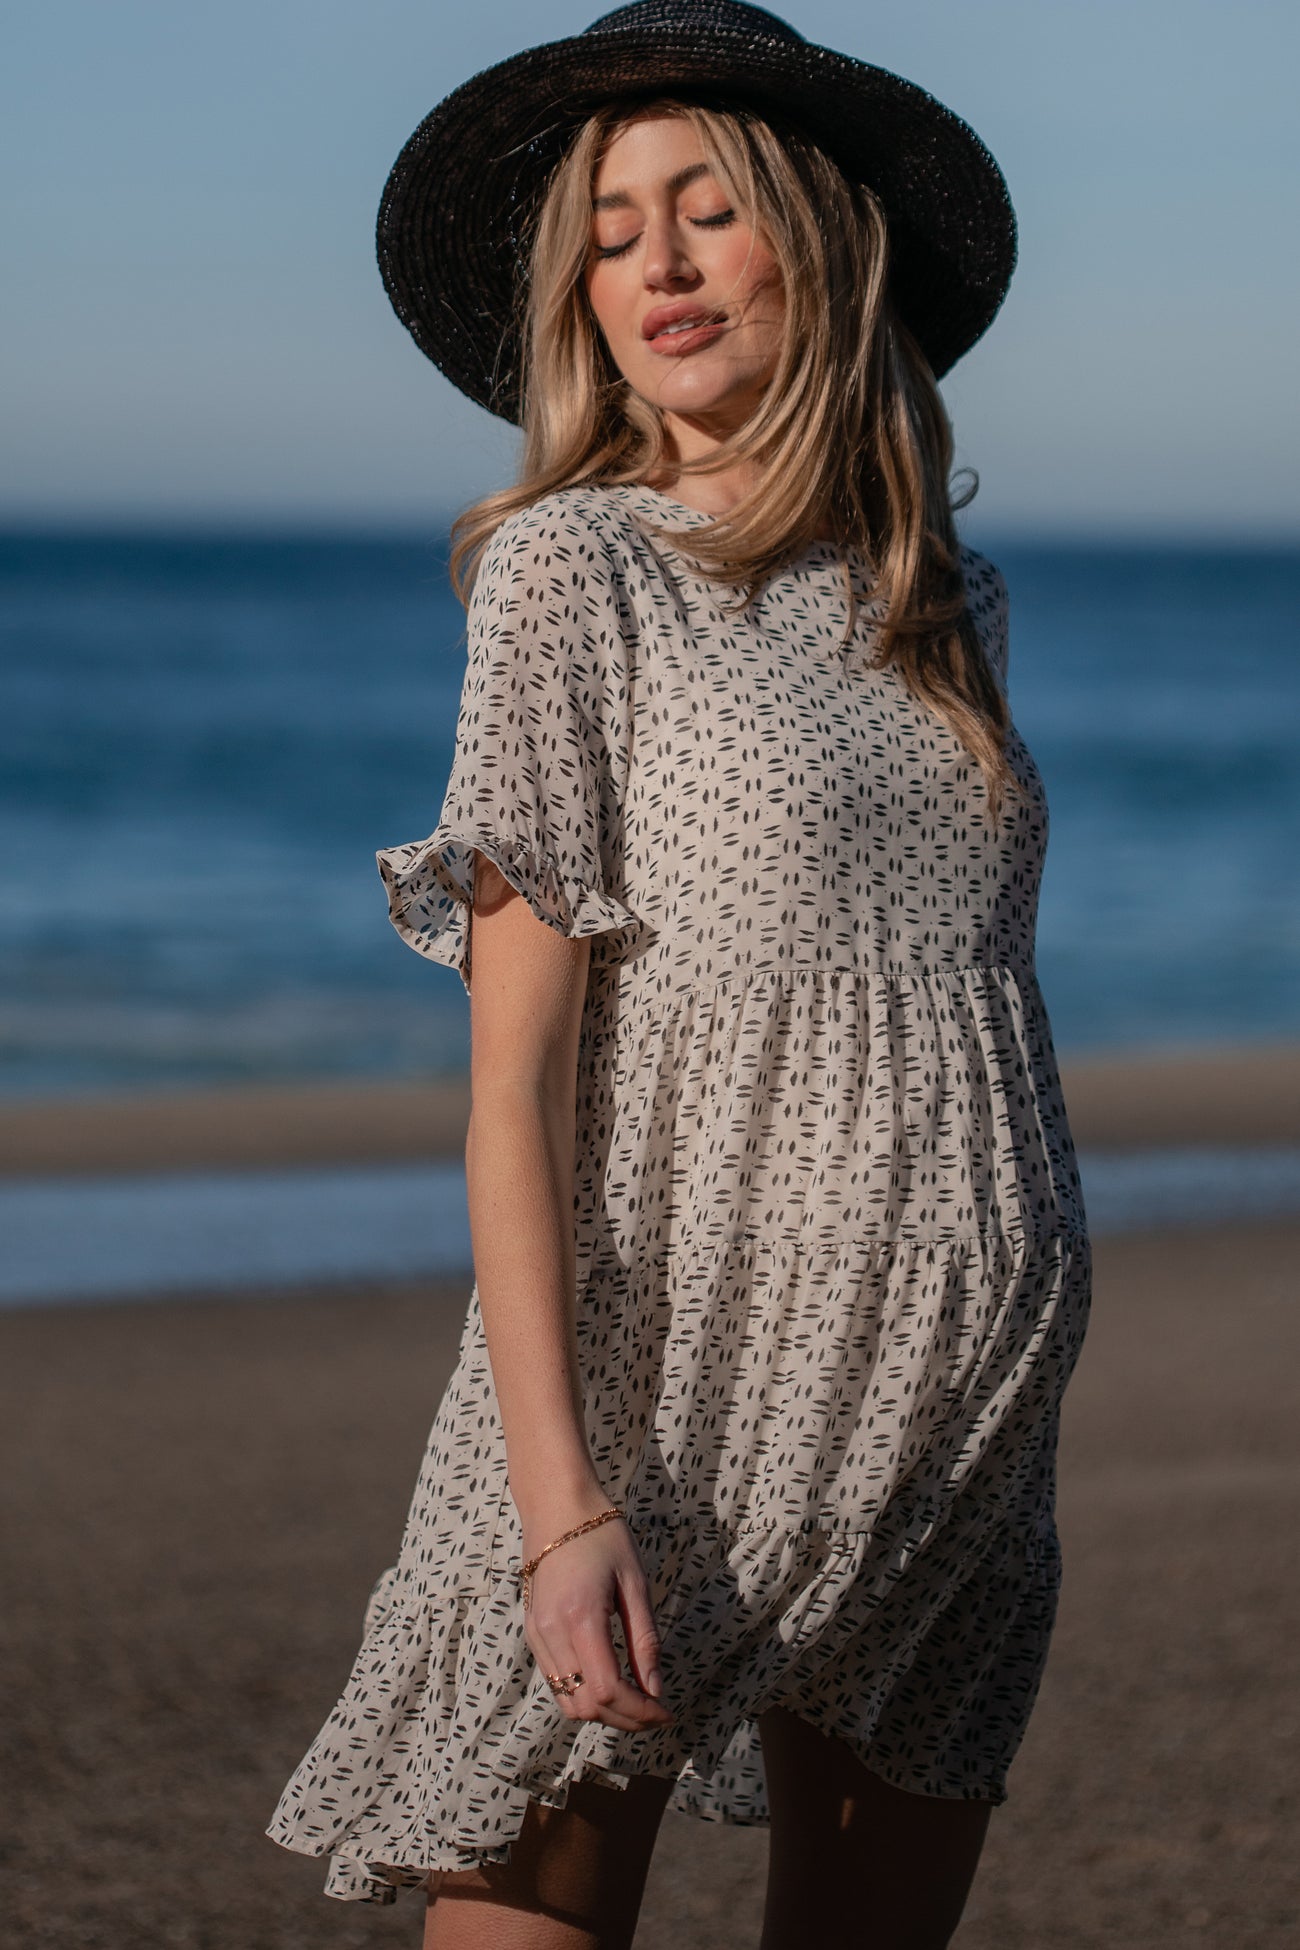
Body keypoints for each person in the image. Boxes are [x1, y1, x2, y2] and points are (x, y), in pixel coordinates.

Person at [266, 5, 1093, 1946]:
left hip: (958, 1421)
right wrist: (562, 1507)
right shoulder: (577, 570)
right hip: (671, 1396)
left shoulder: (942, 600)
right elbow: (514, 1089)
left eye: (707, 209)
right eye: (613, 228)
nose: (655, 262)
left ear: (821, 242)